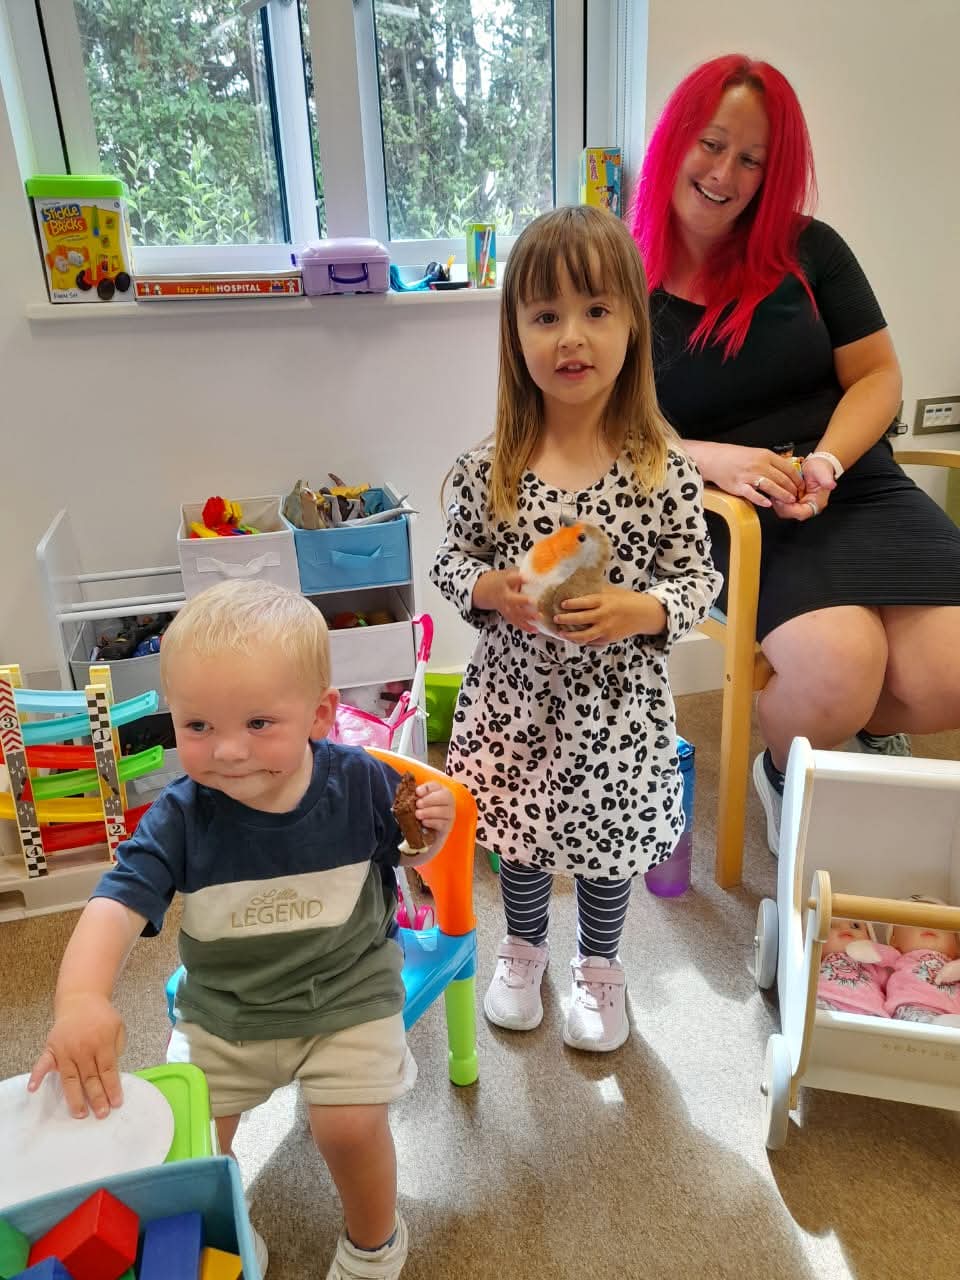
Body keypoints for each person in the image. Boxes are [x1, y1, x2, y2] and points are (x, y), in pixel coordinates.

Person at [28, 579, 455, 1280]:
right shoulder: (181, 815)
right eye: (198, 727)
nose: (227, 751)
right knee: (186, 1143)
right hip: (226, 1009)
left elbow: (406, 859)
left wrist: (425, 839)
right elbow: (113, 904)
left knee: (347, 1127)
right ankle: (231, 1234)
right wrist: (80, 1001)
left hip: (345, 993)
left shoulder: (362, 782)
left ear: (320, 714)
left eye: (258, 724)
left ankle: (375, 1239)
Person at [628, 54, 960, 856]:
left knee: (944, 674)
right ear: (674, 141)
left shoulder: (812, 251)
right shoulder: (619, 268)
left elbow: (878, 376)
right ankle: (790, 769)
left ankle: (851, 738)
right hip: (730, 510)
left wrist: (829, 463)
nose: (725, 175)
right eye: (711, 144)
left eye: (752, 161)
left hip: (852, 484)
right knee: (842, 666)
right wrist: (714, 461)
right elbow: (607, 423)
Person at [430, 205, 721, 1053]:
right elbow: (452, 564)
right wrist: (494, 590)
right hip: (515, 705)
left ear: (632, 323)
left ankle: (601, 965)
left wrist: (644, 609)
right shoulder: (492, 468)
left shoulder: (660, 468)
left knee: (607, 843)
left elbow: (698, 577)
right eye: (546, 315)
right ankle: (523, 952)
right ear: (515, 334)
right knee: (519, 839)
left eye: (597, 311)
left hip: (618, 710)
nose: (572, 337)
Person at [815, 918, 898, 1016]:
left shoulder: (873, 965)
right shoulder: (816, 963)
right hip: (826, 1002)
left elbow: (894, 980)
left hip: (869, 1010)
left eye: (855, 926)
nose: (845, 928)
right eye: (831, 926)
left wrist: (880, 951)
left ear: (869, 938)